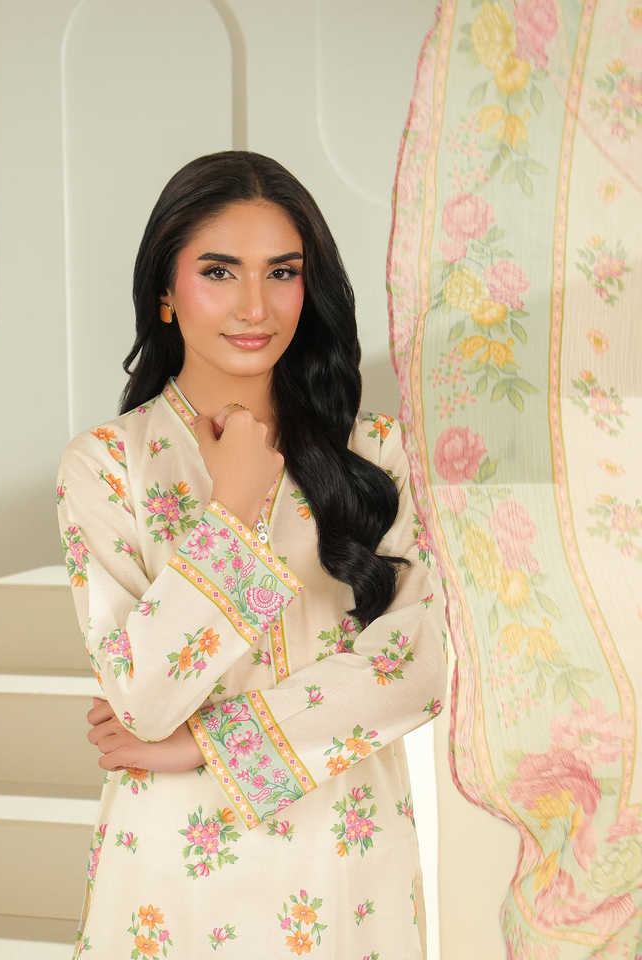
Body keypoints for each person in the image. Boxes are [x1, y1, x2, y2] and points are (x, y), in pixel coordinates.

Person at [55, 150, 447, 960]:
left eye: (282, 272)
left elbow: (423, 666)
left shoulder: (378, 456)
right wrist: (231, 510)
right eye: (219, 272)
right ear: (165, 292)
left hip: (346, 857)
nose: (255, 306)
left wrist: (205, 744)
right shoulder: (106, 466)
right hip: (173, 871)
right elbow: (142, 701)